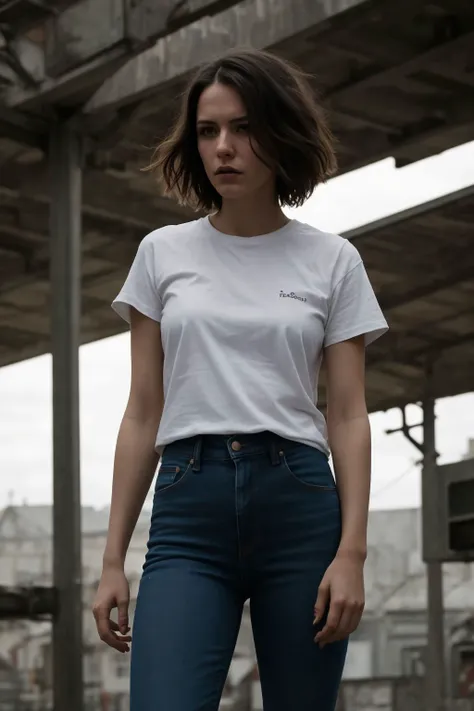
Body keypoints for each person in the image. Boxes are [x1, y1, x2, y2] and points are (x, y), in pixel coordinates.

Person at [92, 47, 388, 711]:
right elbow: (143, 410)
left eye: (244, 127)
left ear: (280, 133)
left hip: (301, 506)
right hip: (187, 511)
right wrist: (112, 558)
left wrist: (352, 552)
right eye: (208, 130)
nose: (225, 147)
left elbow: (346, 413)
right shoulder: (161, 256)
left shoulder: (332, 261)